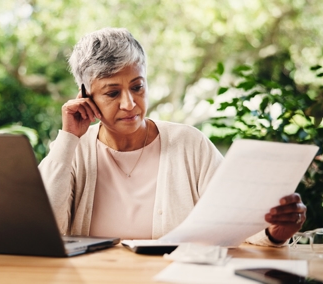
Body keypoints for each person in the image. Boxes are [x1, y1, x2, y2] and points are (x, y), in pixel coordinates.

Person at [38, 27, 306, 246]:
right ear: (85, 96)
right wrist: (68, 139)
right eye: (112, 93)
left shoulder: (190, 144)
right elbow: (44, 227)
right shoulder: (74, 151)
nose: (130, 104)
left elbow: (239, 223)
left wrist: (276, 231)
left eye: (137, 87)